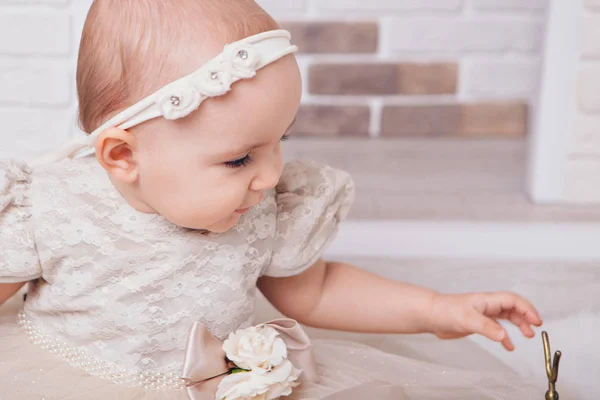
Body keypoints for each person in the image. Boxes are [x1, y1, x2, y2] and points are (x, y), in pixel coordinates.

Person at [0, 1, 543, 399]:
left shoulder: (263, 208)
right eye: (240, 159)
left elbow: (318, 290)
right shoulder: (48, 205)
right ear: (123, 156)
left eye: (280, 141)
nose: (270, 178)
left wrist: (434, 309)